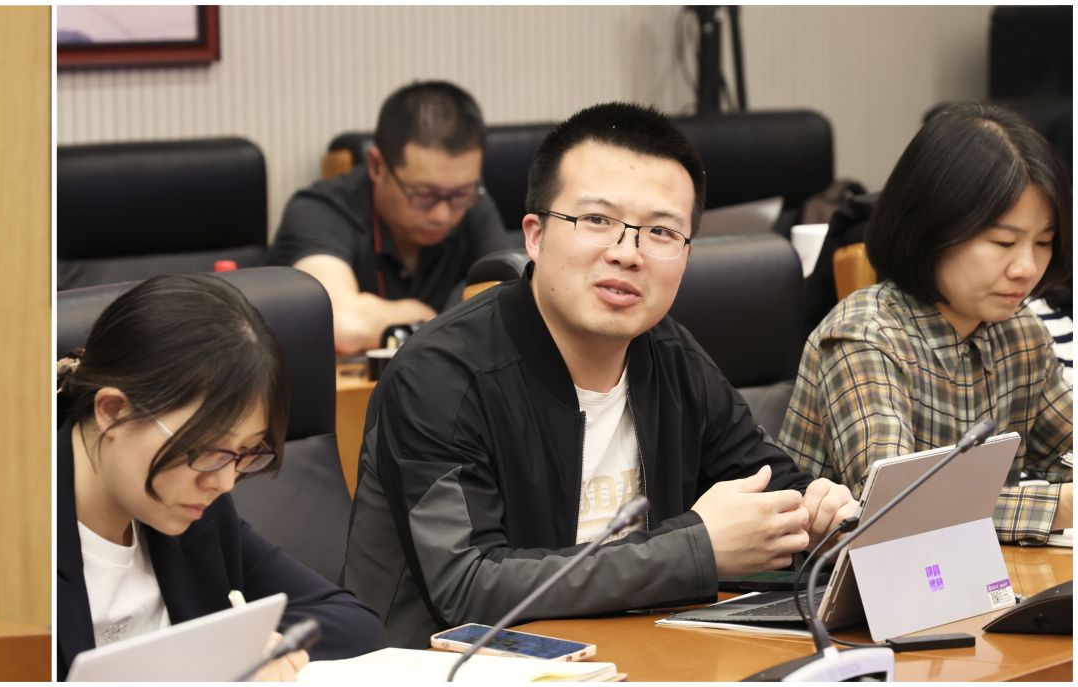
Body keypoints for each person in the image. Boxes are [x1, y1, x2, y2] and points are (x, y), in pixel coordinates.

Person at [341, 103, 858, 648]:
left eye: (661, 231)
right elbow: (467, 586)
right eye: (597, 221)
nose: (627, 253)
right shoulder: (439, 375)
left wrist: (819, 513)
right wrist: (696, 549)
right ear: (535, 235)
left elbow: (772, 489)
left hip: (640, 657)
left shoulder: (671, 355)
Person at [56, 273, 381, 680]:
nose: (224, 482)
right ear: (113, 411)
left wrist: (258, 648)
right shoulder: (15, 548)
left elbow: (351, 622)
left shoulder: (198, 516)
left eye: (247, 452)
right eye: (206, 450)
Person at [778, 103, 1072, 545]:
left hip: (972, 573)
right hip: (834, 581)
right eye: (1003, 242)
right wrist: (1061, 506)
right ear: (933, 228)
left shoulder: (1019, 332)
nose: (1026, 268)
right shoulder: (864, 336)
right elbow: (894, 509)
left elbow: (1066, 451)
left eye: (1044, 242)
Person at [268, 80, 517, 355]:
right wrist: (426, 316)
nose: (443, 214)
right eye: (424, 194)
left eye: (461, 193)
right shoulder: (320, 211)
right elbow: (341, 325)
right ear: (377, 166)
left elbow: (516, 301)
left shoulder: (473, 204)